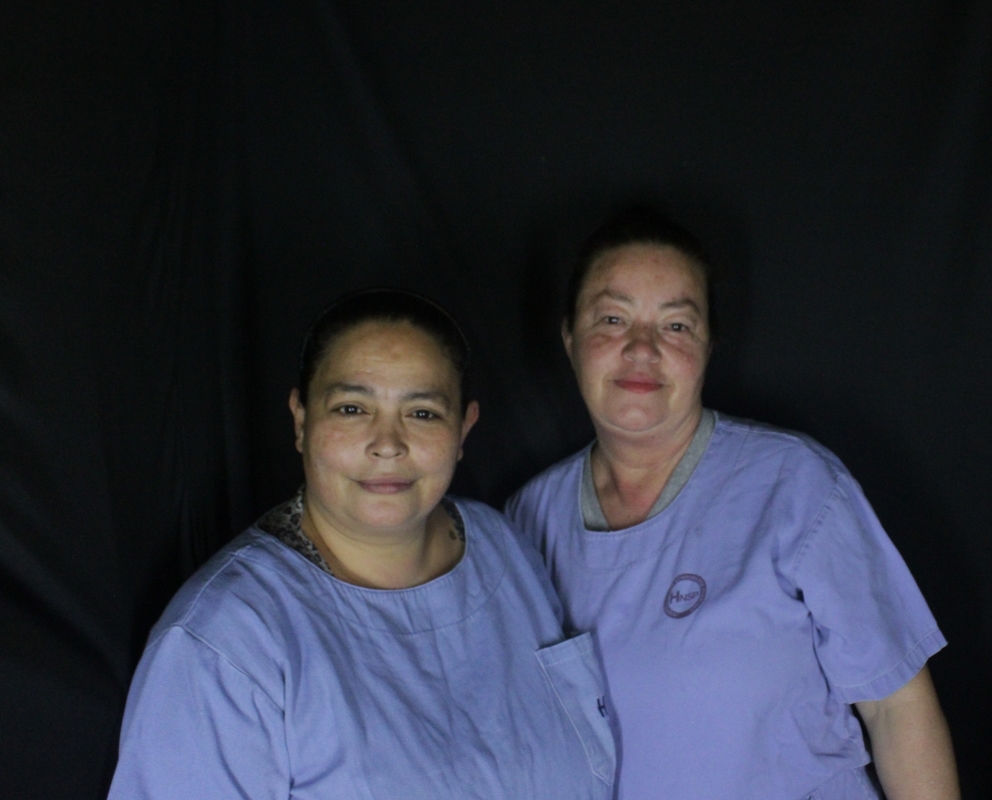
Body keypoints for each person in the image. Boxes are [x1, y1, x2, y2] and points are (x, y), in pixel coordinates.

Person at [506, 211, 960, 800]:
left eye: (676, 325)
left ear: (707, 347)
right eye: (612, 319)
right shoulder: (525, 524)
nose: (641, 348)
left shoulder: (794, 484)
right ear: (569, 338)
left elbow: (897, 707)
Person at [107, 289, 614, 800]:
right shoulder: (225, 643)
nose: (387, 444)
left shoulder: (504, 549)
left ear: (464, 429)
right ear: (301, 420)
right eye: (352, 408)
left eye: (422, 413)